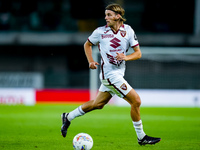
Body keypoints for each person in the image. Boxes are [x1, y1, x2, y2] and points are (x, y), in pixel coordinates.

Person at [61, 3, 161, 146]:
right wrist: (90, 61)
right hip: (110, 75)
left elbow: (138, 53)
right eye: (105, 14)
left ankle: (68, 117)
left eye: (109, 15)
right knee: (136, 101)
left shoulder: (128, 31)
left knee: (98, 104)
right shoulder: (100, 32)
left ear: (118, 16)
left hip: (118, 74)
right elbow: (87, 44)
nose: (105, 17)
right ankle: (141, 137)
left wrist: (126, 57)